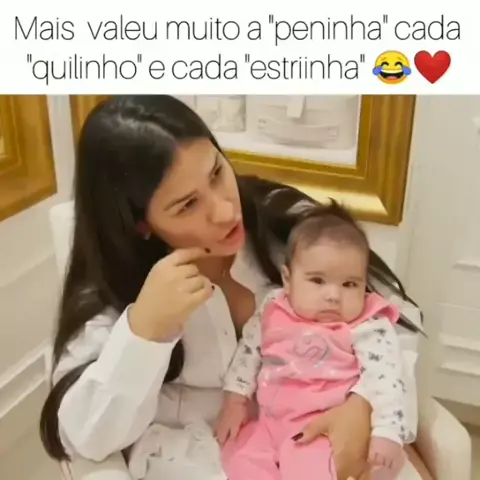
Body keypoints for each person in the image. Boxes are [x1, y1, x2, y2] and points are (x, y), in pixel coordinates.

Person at [39, 95, 430, 480]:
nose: (226, 210)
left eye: (216, 173)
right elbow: (85, 437)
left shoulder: (287, 225)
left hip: (320, 439)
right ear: (141, 224)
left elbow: (398, 317)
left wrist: (362, 406)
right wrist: (145, 331)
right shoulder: (113, 288)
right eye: (187, 205)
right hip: (210, 457)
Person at [216, 207, 408, 480]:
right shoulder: (273, 308)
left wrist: (387, 432)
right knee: (240, 458)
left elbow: (387, 378)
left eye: (350, 284)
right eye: (318, 280)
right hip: (269, 424)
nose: (333, 295)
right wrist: (236, 399)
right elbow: (248, 351)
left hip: (323, 430)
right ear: (288, 279)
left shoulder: (366, 325)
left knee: (309, 470)